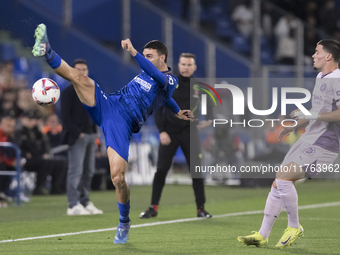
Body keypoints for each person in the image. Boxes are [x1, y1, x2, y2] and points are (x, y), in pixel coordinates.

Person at [32, 23, 192, 244]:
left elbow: (162, 83)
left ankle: (124, 222)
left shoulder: (170, 80)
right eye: (144, 55)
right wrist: (176, 110)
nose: (145, 59)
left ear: (162, 58)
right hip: (110, 104)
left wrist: (134, 52)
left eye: (150, 56)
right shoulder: (150, 75)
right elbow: (165, 96)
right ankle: (46, 50)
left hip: (122, 123)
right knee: (79, 78)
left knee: (117, 177)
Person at [238, 39, 340, 248]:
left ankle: (294, 226)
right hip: (310, 137)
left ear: (328, 56)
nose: (313, 55)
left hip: (325, 143)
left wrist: (311, 114)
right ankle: (262, 234)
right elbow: (316, 111)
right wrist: (295, 125)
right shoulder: (322, 77)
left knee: (283, 179)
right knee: (278, 183)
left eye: (316, 51)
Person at [140, 53, 212, 219]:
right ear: (179, 65)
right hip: (170, 133)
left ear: (194, 67)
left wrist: (208, 120)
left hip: (190, 133)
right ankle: (153, 207)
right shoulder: (169, 82)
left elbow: (210, 107)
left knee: (196, 172)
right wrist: (162, 131)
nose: (186, 67)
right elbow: (159, 108)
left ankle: (201, 209)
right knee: (161, 171)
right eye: (183, 64)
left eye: (189, 65)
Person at [60, 58, 102, 216]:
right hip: (77, 137)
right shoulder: (68, 92)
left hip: (91, 135)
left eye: (84, 69)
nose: (81, 72)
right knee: (75, 171)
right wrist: (78, 133)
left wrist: (94, 131)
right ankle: (73, 204)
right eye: (78, 69)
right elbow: (65, 117)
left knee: (89, 171)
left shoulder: (92, 90)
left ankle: (85, 201)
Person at [17, 110, 67, 195]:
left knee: (61, 162)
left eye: (32, 119)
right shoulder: (19, 132)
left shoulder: (37, 132)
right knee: (45, 163)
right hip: (25, 159)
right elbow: (20, 147)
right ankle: (38, 188)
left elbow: (45, 146)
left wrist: (41, 133)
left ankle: (57, 188)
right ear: (23, 120)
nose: (30, 122)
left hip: (38, 158)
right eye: (28, 119)